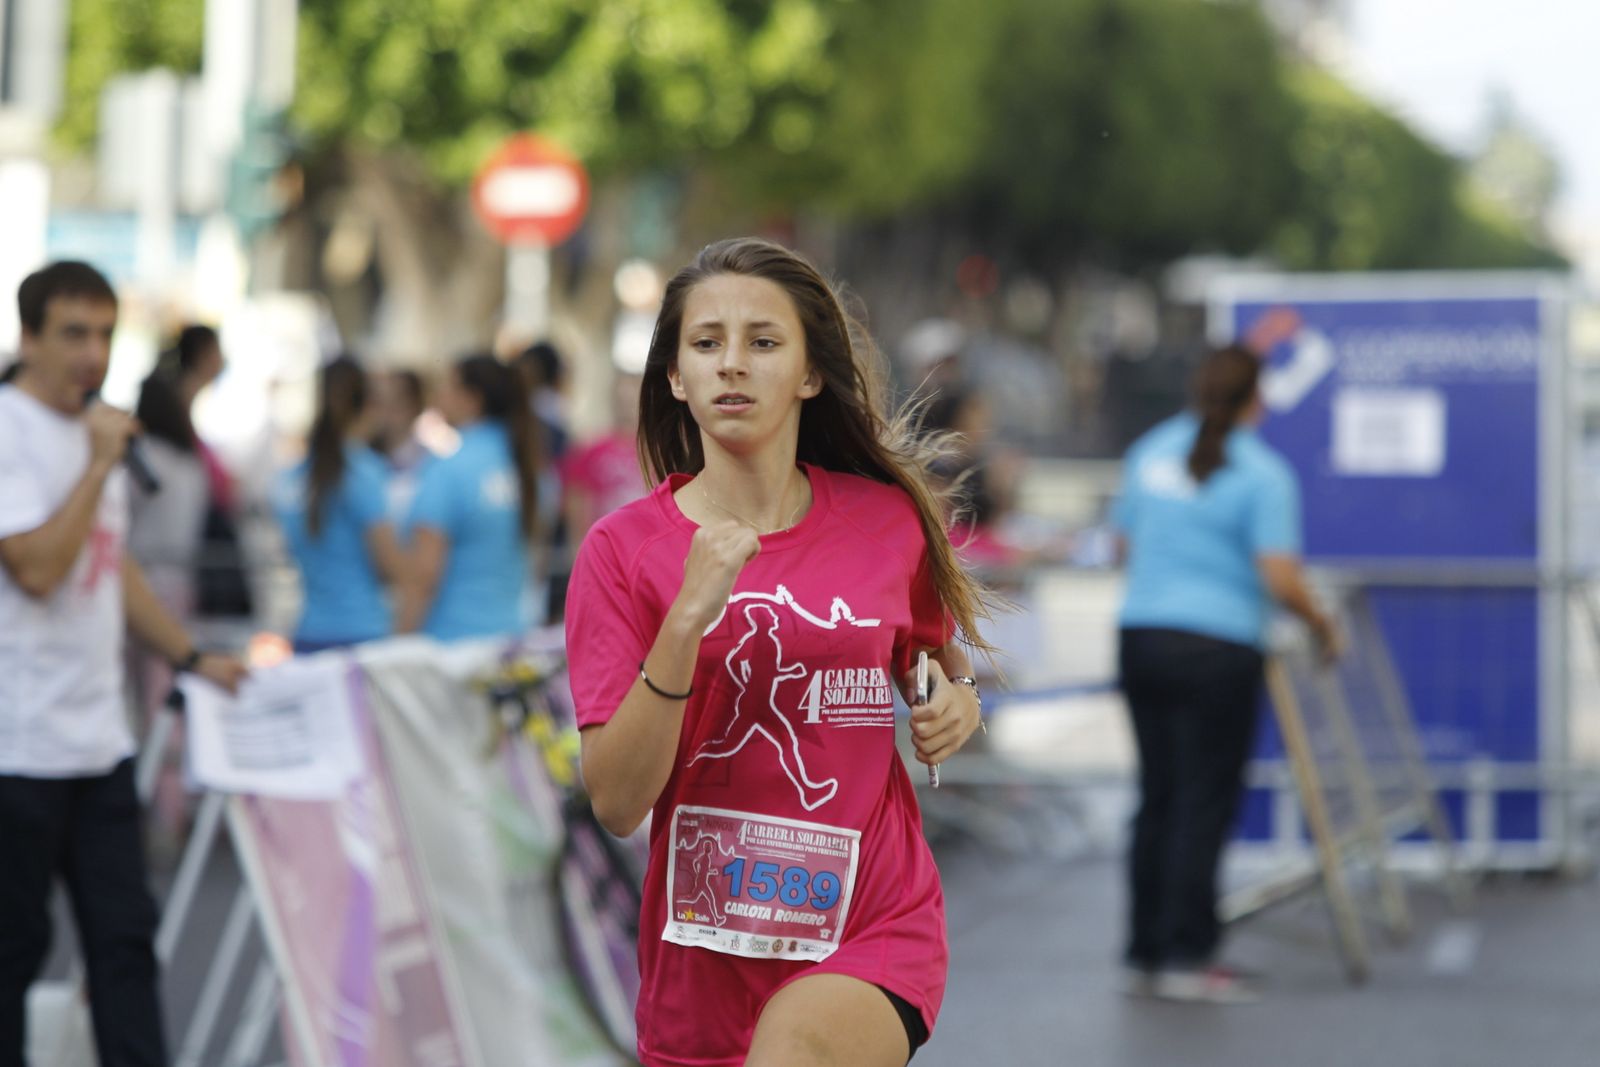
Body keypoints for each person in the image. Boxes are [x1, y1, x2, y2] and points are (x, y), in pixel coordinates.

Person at [564, 237, 992, 1067]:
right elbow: (617, 799)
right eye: (705, 343)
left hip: (872, 922)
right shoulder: (621, 553)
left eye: (762, 342)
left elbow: (936, 656)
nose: (732, 364)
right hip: (704, 960)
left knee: (794, 1043)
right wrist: (686, 619)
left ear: (808, 373)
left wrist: (958, 699)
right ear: (675, 378)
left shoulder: (886, 521)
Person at [0, 261, 247, 1067]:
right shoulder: (14, 430)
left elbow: (113, 569)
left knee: (126, 944)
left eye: (105, 334)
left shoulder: (93, 428)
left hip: (98, 740)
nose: (92, 353)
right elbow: (36, 566)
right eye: (73, 332)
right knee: (13, 951)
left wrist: (189, 654)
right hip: (18, 746)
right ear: (28, 336)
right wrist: (99, 464)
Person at [1111, 343, 1340, 1004]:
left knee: (1157, 795)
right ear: (1255, 398)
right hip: (1220, 647)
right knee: (1201, 801)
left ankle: (1145, 949)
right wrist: (1324, 624)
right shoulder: (1263, 473)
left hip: (1143, 635)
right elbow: (1279, 575)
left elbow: (1122, 545)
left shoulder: (1150, 450)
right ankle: (1188, 953)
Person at [399, 352, 539, 640]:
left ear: (472, 399)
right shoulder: (528, 468)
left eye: (449, 386)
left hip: (452, 644)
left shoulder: (448, 469)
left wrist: (398, 638)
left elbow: (425, 574)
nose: (439, 395)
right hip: (511, 637)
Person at [273, 357, 407, 653]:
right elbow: (389, 565)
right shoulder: (364, 472)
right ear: (369, 406)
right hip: (362, 636)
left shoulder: (292, 476)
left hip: (308, 632)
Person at [368, 368, 432, 522]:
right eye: (379, 402)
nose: (387, 411)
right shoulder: (362, 456)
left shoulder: (430, 463)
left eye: (397, 402)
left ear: (416, 405)